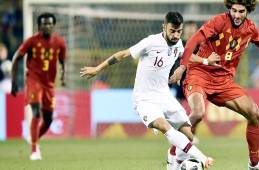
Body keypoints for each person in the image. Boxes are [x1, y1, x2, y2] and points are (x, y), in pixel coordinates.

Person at [80, 11, 213, 170]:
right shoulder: (151, 42)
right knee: (166, 128)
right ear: (164, 27)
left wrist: (206, 60)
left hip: (164, 95)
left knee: (188, 135)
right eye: (172, 31)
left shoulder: (177, 43)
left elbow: (186, 54)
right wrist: (97, 68)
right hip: (144, 99)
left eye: (179, 31)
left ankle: (172, 158)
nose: (176, 35)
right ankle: (202, 158)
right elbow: (122, 54)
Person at [170, 1, 259, 170]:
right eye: (233, 10)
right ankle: (175, 153)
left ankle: (254, 164)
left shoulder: (251, 28)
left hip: (224, 80)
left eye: (241, 11)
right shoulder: (218, 21)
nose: (236, 15)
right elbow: (193, 40)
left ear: (248, 11)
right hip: (199, 74)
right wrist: (182, 66)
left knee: (255, 113)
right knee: (198, 112)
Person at [11, 13, 66, 161]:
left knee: (48, 120)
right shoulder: (31, 41)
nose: (47, 26)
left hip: (49, 84)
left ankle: (34, 137)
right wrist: (14, 82)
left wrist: (63, 76)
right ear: (39, 26)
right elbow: (16, 57)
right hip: (33, 80)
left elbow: (62, 61)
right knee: (36, 112)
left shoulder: (60, 42)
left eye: (49, 24)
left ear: (53, 26)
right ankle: (34, 150)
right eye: (44, 24)